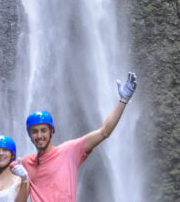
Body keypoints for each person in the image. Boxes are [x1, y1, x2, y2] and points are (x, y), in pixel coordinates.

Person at [21, 72, 137, 202]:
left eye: (43, 130)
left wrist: (123, 101)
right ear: (29, 135)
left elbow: (104, 132)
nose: (39, 135)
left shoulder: (70, 151)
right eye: (34, 132)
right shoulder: (25, 164)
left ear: (51, 131)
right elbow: (1, 166)